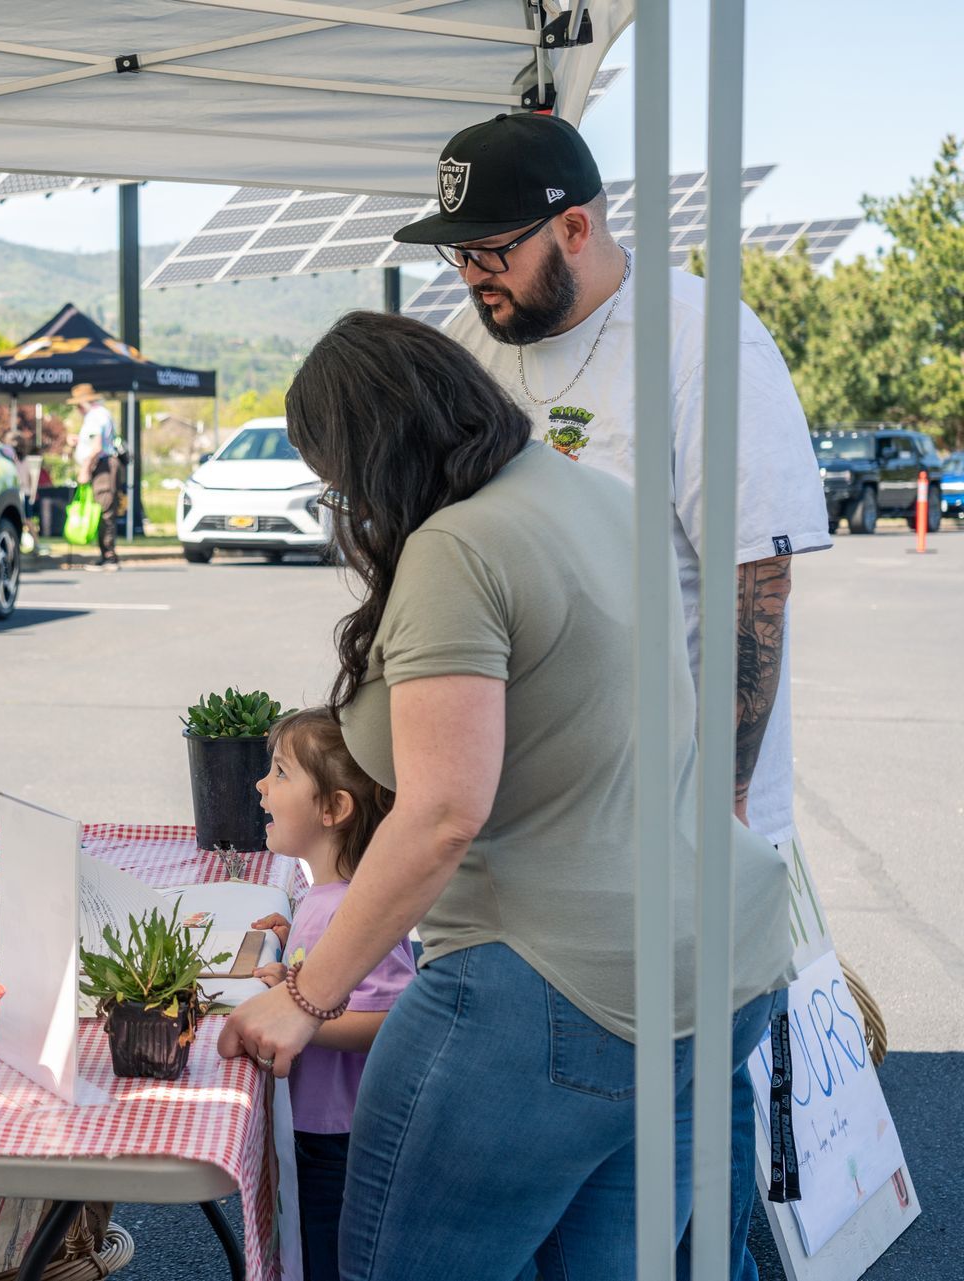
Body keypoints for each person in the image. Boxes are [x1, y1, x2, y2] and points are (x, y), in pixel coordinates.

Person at [218, 311, 792, 1279]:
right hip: (712, 958)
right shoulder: (598, 496)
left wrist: (306, 1000)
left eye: (339, 477)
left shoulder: (458, 546)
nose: (344, 501)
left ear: (376, 452)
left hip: (556, 987)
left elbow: (442, 814)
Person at [391, 111, 831, 1280]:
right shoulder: (467, 348)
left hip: (688, 818)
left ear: (575, 227)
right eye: (459, 254)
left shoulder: (699, 341)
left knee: (686, 1164)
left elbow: (757, 580)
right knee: (573, 1153)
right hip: (536, 835)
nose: (474, 276)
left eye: (494, 251)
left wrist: (723, 800)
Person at [246, 706, 415, 1281]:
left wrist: (298, 1003)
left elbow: (392, 1015)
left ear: (333, 809)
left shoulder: (351, 908)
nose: (261, 785)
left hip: (338, 1140)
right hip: (321, 1130)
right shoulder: (327, 899)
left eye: (281, 773)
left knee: (327, 1261)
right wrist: (297, 946)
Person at [68, 382, 120, 569]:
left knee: (103, 508)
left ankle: (109, 555)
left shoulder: (95, 416)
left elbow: (96, 447)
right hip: (102, 465)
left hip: (102, 466)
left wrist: (85, 469)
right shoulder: (100, 414)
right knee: (102, 508)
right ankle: (106, 554)